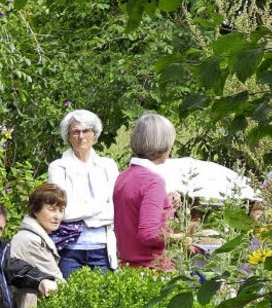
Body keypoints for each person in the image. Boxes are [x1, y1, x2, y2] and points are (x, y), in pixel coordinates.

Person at [47, 109, 120, 276]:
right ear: (68, 136)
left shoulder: (108, 166)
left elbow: (115, 211)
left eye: (86, 131)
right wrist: (101, 206)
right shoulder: (58, 167)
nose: (81, 136)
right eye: (75, 132)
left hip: (102, 249)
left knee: (104, 299)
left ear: (94, 133)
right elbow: (65, 212)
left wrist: (82, 210)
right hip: (70, 249)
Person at [113, 112, 176, 270]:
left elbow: (133, 216)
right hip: (152, 268)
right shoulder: (153, 181)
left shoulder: (124, 176)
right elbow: (149, 234)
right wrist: (182, 238)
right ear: (164, 144)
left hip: (129, 267)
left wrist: (165, 205)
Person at [9, 183, 67, 308]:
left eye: (61, 210)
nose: (57, 216)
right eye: (52, 209)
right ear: (35, 210)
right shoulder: (30, 240)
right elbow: (57, 282)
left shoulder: (36, 235)